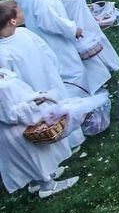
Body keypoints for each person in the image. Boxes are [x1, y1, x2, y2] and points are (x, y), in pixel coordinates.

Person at [0, 65, 80, 197]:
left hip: (20, 124)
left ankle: (35, 181)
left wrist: (35, 97)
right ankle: (47, 186)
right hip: (13, 128)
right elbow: (9, 114)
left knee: (32, 155)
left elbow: (18, 94)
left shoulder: (3, 73)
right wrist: (33, 104)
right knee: (32, 155)